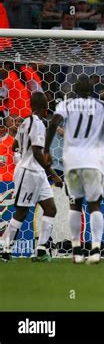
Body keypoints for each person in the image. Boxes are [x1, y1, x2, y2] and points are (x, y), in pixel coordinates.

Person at [44, 75, 104, 264]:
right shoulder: (102, 106)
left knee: (74, 204)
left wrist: (46, 150)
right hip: (93, 160)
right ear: (92, 91)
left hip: (72, 160)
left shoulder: (66, 105)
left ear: (75, 91)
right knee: (95, 205)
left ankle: (76, 251)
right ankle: (95, 251)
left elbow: (53, 123)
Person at [0, 92, 62, 262]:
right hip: (28, 172)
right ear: (44, 108)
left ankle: (41, 251)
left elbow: (14, 146)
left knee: (50, 209)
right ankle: (4, 249)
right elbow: (36, 152)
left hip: (37, 172)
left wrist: (24, 147)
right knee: (22, 211)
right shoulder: (38, 124)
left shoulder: (25, 122)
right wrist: (54, 174)